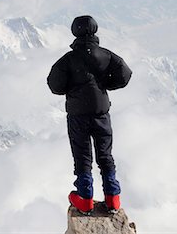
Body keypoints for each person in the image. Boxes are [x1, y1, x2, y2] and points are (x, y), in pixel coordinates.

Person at [47, 15, 132, 214]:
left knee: (82, 155)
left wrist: (73, 89)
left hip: (78, 115)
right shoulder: (107, 55)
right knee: (105, 155)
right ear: (94, 30)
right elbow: (125, 75)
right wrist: (104, 86)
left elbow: (54, 85)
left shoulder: (67, 60)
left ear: (74, 32)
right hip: (101, 113)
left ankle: (85, 199)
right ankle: (113, 198)